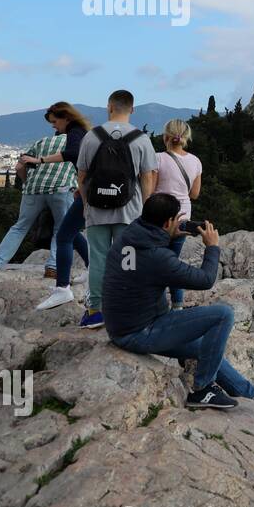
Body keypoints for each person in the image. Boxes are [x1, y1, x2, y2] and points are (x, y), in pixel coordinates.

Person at [102, 193, 254, 410]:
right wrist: (212, 247)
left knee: (204, 348)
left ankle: (251, 395)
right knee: (222, 315)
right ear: (168, 222)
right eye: (174, 220)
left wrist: (170, 236)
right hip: (140, 331)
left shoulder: (129, 236)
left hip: (123, 326)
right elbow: (205, 280)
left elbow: (149, 268)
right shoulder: (156, 257)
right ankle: (203, 389)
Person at [75, 90, 158, 330]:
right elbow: (147, 177)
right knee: (128, 261)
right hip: (130, 212)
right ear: (132, 109)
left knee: (98, 259)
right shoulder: (141, 139)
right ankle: (126, 308)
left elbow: (81, 175)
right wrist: (143, 207)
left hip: (96, 210)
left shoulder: (92, 136)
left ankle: (95, 312)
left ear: (109, 107)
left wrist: (86, 203)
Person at [0, 116, 79, 276]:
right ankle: (52, 268)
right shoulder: (76, 143)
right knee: (61, 229)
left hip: (33, 190)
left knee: (20, 226)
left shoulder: (41, 142)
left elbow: (19, 167)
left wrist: (27, 183)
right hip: (62, 188)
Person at [34, 103, 94, 309]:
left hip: (90, 190)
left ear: (66, 118)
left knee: (63, 236)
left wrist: (40, 160)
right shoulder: (84, 131)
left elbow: (72, 153)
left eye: (54, 122)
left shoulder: (75, 132)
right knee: (72, 231)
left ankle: (63, 288)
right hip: (91, 188)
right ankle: (91, 268)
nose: (53, 126)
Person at [154, 119, 203, 310]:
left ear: (166, 137)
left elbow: (150, 190)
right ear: (185, 138)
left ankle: (155, 304)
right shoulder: (195, 161)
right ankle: (178, 304)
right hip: (183, 217)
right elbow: (195, 194)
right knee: (172, 261)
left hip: (159, 216)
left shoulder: (158, 158)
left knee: (156, 261)